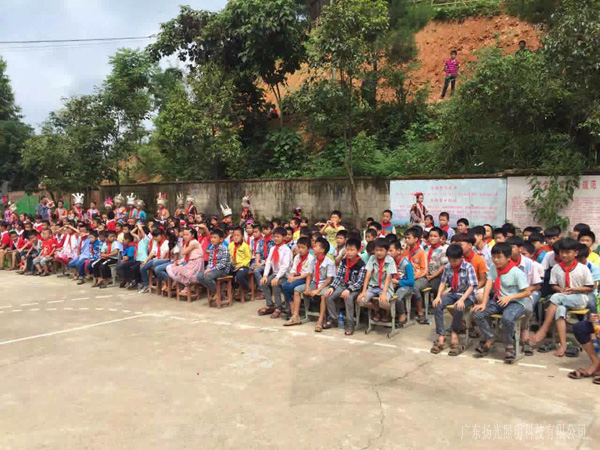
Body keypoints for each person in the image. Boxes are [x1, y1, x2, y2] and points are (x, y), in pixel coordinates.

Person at [530, 238, 594, 357]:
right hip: (562, 297)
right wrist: (561, 290)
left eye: (568, 252)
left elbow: (590, 287)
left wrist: (574, 289)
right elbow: (553, 285)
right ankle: (563, 345)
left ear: (575, 253)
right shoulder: (556, 268)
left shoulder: (583, 268)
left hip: (580, 298)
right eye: (562, 252)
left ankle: (543, 330)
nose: (564, 255)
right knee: (560, 310)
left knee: (556, 297)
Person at [472, 242, 531, 362]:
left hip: (515, 303)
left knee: (507, 318)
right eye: (493, 257)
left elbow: (527, 292)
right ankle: (490, 337)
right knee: (477, 313)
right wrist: (483, 303)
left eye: (499, 257)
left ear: (508, 258)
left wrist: (510, 297)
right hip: (498, 300)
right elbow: (489, 284)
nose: (495, 260)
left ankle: (509, 345)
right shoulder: (494, 268)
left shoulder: (516, 272)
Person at [431, 244, 478, 356]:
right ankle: (441, 335)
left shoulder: (468, 267)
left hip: (467, 295)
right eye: (450, 260)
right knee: (438, 305)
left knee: (458, 307)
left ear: (461, 258)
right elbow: (443, 282)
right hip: (453, 293)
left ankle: (454, 333)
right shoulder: (448, 267)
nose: (452, 263)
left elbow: (472, 286)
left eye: (455, 261)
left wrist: (462, 299)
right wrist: (438, 296)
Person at [324, 238, 366, 335]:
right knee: (328, 296)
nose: (349, 252)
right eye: (347, 249)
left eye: (352, 250)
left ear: (358, 250)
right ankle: (334, 319)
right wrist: (332, 287)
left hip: (355, 288)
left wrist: (349, 289)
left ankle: (350, 324)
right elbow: (339, 277)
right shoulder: (343, 262)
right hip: (343, 285)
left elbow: (360, 282)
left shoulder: (361, 264)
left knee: (348, 297)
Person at [357, 238, 397, 323]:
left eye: (381, 250)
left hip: (385, 287)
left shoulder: (390, 260)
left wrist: (384, 293)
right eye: (376, 250)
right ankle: (377, 309)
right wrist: (364, 291)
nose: (378, 253)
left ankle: (388, 312)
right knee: (360, 301)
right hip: (373, 286)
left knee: (383, 301)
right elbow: (368, 275)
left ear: (386, 250)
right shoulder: (372, 258)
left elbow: (388, 277)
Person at [258, 227, 293, 319]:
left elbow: (285, 266)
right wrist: (265, 275)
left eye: (278, 237)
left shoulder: (286, 250)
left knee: (275, 283)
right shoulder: (273, 248)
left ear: (284, 237)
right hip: (275, 273)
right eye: (274, 237)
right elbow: (269, 262)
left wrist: (277, 277)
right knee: (264, 282)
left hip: (285, 275)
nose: (276, 239)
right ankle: (269, 305)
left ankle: (278, 307)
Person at [282, 237, 314, 326]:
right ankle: (292, 305)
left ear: (308, 248)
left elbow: (307, 273)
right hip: (297, 276)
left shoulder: (310, 258)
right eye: (299, 247)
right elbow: (293, 269)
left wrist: (295, 279)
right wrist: (291, 276)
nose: (300, 250)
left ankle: (295, 311)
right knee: (285, 285)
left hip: (305, 278)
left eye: (303, 248)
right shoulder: (297, 257)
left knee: (291, 287)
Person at [196, 228, 231, 300]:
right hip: (213, 269)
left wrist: (211, 270)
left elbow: (223, 264)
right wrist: (208, 268)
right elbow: (210, 261)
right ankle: (217, 292)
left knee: (208, 277)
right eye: (212, 237)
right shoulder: (212, 248)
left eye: (215, 238)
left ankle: (217, 292)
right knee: (199, 276)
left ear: (221, 239)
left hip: (222, 270)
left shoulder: (224, 249)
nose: (212, 239)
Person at [166, 228, 203, 295]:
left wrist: (185, 244)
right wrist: (180, 261)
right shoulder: (188, 243)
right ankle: (187, 285)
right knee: (170, 267)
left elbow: (183, 252)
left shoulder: (194, 242)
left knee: (176, 269)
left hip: (195, 264)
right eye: (184, 235)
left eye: (187, 235)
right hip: (190, 262)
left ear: (192, 235)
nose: (185, 236)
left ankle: (188, 285)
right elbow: (186, 256)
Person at [403, 227, 428, 324]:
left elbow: (424, 270)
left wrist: (414, 277)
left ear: (416, 239)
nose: (406, 240)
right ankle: (403, 312)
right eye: (405, 238)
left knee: (414, 287)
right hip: (408, 277)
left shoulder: (421, 252)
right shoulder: (405, 251)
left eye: (409, 238)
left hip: (421, 278)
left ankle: (420, 312)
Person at [389, 240, 414, 325]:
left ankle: (402, 314)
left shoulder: (406, 264)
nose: (389, 253)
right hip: (393, 284)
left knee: (397, 297)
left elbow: (411, 281)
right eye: (388, 251)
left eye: (391, 251)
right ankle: (388, 314)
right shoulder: (390, 262)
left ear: (398, 251)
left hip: (406, 286)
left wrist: (398, 282)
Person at [139, 229, 171, 294]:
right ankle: (146, 285)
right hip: (156, 259)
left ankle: (166, 283)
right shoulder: (155, 243)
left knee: (155, 263)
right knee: (142, 266)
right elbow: (152, 253)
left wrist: (159, 258)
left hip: (165, 260)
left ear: (162, 235)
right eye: (154, 237)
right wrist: (146, 260)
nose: (155, 238)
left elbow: (165, 255)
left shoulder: (166, 242)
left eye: (156, 236)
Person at [228, 227, 252, 301]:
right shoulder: (231, 245)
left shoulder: (245, 246)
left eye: (238, 235)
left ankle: (247, 288)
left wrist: (241, 265)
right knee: (226, 272)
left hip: (243, 265)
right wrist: (231, 261)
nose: (235, 237)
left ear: (242, 236)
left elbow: (248, 258)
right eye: (234, 235)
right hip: (234, 265)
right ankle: (235, 287)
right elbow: (229, 256)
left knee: (239, 276)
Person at [425, 227, 447, 296]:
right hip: (426, 274)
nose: (432, 238)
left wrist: (432, 276)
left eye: (435, 236)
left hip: (438, 276)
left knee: (433, 287)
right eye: (431, 236)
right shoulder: (426, 249)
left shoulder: (443, 250)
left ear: (440, 238)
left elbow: (443, 266)